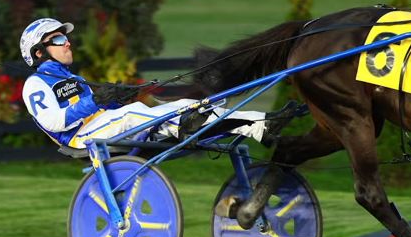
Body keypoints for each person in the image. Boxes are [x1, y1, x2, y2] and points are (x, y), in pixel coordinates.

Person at [19, 17, 280, 150]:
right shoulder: (35, 85)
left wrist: (114, 97)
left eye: (64, 38)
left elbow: (98, 108)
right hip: (81, 138)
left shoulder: (72, 78)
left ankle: (258, 124)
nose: (66, 42)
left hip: (104, 125)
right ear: (39, 52)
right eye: (55, 40)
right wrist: (97, 100)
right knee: (133, 113)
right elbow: (53, 122)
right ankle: (186, 125)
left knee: (186, 104)